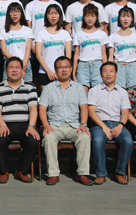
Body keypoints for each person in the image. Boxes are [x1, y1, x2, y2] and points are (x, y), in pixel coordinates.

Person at [39, 56, 92, 186]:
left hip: (75, 125)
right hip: (55, 125)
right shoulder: (48, 88)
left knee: (85, 136)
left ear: (71, 68)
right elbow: (42, 108)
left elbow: (84, 107)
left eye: (66, 67)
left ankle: (83, 174)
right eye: (60, 67)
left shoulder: (79, 87)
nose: (64, 70)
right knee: (49, 137)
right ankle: (53, 174)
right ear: (55, 70)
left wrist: (83, 124)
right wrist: (45, 125)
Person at [0, 57, 40, 183]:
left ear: (22, 70)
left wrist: (31, 126)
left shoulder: (30, 87)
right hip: (5, 124)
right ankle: (3, 172)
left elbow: (33, 109)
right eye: (11, 67)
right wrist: (2, 125)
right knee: (0, 139)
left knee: (33, 140)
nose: (14, 70)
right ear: (6, 71)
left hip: (25, 124)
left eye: (17, 67)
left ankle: (22, 171)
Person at [88, 62, 132, 185]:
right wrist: (104, 127)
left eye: (111, 71)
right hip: (99, 124)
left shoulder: (122, 91)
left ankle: (120, 172)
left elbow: (125, 112)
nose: (108, 74)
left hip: (118, 123)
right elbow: (91, 112)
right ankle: (101, 173)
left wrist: (120, 126)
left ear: (116, 73)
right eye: (105, 71)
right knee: (97, 141)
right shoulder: (94, 91)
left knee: (128, 141)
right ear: (101, 74)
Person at [34, 4, 72, 91]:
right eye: (50, 13)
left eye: (56, 13)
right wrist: (48, 71)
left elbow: (68, 54)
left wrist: (60, 70)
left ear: (60, 16)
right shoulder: (41, 33)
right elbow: (38, 54)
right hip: (45, 72)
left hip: (61, 73)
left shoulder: (65, 33)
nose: (53, 16)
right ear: (46, 16)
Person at [72, 4, 109, 91]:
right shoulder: (78, 34)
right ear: (83, 17)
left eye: (93, 16)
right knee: (83, 91)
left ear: (97, 17)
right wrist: (74, 72)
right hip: (83, 65)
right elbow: (76, 54)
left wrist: (105, 69)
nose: (90, 19)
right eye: (87, 15)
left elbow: (104, 54)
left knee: (98, 91)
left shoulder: (102, 34)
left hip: (97, 65)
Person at [108, 6, 136, 88]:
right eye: (123, 16)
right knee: (119, 91)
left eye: (128, 16)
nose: (125, 19)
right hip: (119, 66)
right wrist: (110, 71)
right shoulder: (112, 37)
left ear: (132, 19)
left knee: (134, 90)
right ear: (119, 18)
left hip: (133, 67)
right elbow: (111, 57)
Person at [0, 3, 33, 86]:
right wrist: (17, 64)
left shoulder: (27, 30)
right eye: (12, 12)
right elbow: (4, 51)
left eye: (17, 12)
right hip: (10, 64)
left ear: (21, 14)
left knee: (27, 89)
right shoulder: (3, 31)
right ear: (8, 14)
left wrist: (22, 67)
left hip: (25, 64)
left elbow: (28, 50)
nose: (15, 14)